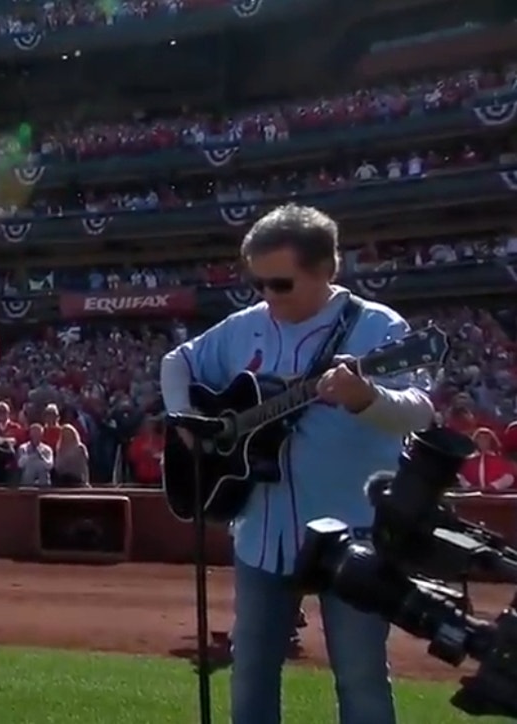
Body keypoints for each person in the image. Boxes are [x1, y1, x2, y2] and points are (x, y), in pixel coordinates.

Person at [160, 203, 435, 724]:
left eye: (280, 284)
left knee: (361, 681)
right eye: (258, 284)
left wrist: (365, 396)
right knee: (251, 677)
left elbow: (419, 410)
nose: (267, 296)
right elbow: (179, 363)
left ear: (325, 271)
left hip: (355, 534)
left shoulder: (379, 327)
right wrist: (184, 421)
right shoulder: (245, 328)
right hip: (262, 531)